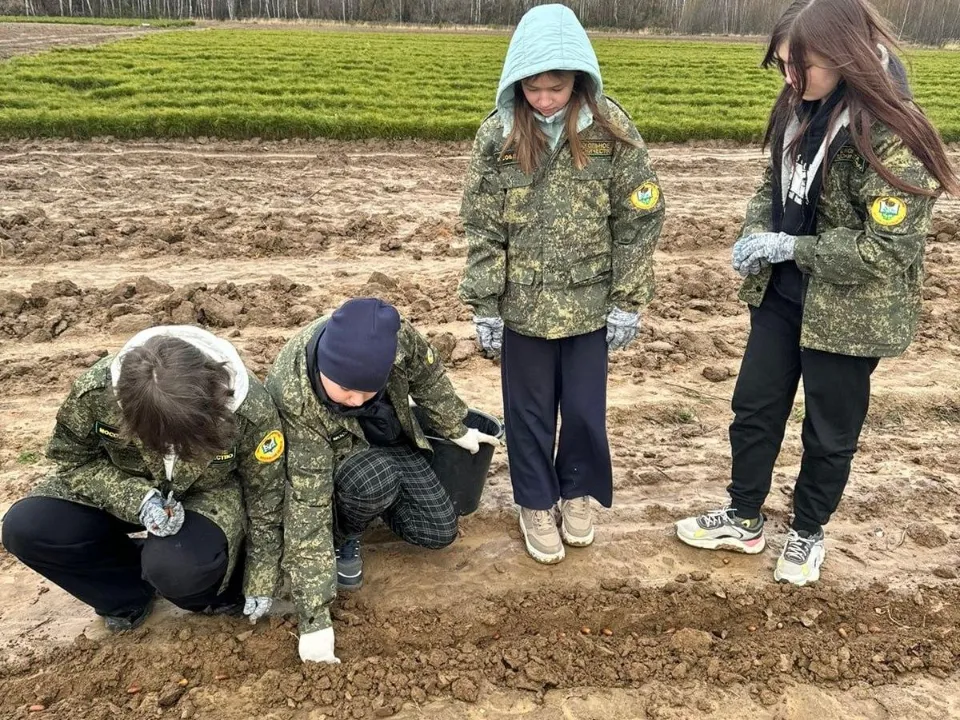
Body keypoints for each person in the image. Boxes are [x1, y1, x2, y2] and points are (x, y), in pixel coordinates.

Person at [676, 0, 959, 585]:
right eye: (782, 63)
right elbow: (772, 184)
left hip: (850, 312)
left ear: (845, 57)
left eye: (801, 65)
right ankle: (743, 516)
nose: (789, 77)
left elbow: (885, 249)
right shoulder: (796, 106)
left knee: (829, 431)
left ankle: (807, 530)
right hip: (781, 298)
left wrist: (792, 248)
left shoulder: (894, 134)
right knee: (754, 410)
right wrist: (756, 233)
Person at [458, 4, 664, 565]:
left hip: (589, 303)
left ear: (579, 79)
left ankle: (576, 492)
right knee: (526, 415)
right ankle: (534, 502)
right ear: (516, 82)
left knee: (583, 410)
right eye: (533, 88)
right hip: (522, 305)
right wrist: (485, 304)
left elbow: (639, 218)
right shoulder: (497, 135)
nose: (545, 99)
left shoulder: (610, 129)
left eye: (557, 87)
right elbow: (483, 226)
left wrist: (628, 300)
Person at [1, 326, 286, 631]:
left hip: (207, 494)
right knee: (27, 528)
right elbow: (71, 460)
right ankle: (125, 594)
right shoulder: (96, 392)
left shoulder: (250, 409)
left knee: (177, 569)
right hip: (119, 481)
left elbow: (266, 496)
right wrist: (139, 499)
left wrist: (261, 578)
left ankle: (207, 591)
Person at [265, 297, 497, 664]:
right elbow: (306, 504)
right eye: (345, 389)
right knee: (370, 480)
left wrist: (456, 427)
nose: (356, 401)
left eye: (367, 391)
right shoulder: (294, 394)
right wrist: (314, 622)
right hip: (334, 460)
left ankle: (377, 498)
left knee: (439, 530)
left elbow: (429, 378)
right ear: (324, 365)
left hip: (384, 439)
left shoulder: (396, 338)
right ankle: (346, 533)